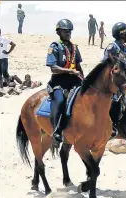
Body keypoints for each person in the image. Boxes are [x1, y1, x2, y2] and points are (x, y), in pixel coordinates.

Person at [46, 19, 84, 148]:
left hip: (74, 79)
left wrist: (83, 79)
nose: (68, 33)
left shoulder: (74, 47)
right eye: (65, 31)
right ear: (59, 32)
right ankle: (56, 132)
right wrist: (70, 71)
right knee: (61, 100)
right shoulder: (54, 46)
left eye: (69, 31)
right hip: (59, 81)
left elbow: (78, 66)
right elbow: (53, 67)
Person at [103, 22, 126, 136]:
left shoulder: (125, 48)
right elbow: (106, 65)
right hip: (114, 81)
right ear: (121, 34)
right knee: (116, 100)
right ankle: (112, 126)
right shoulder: (112, 47)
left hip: (125, 81)